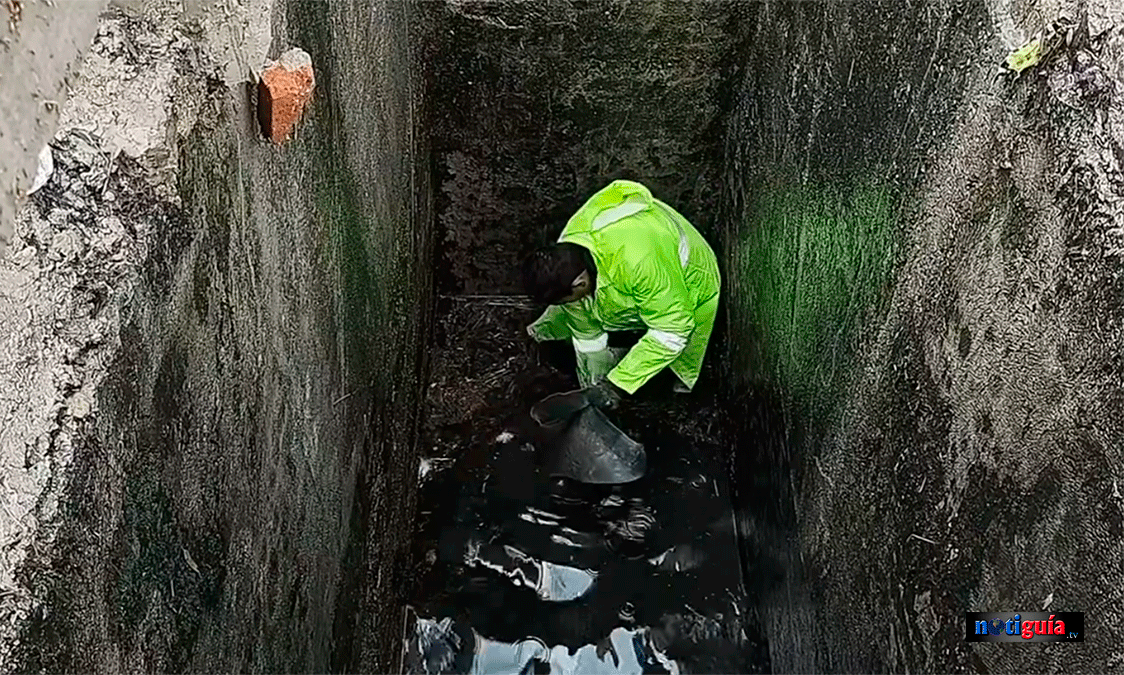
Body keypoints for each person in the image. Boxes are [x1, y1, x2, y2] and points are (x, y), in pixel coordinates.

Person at [521, 180, 720, 410]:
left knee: (676, 350)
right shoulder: (569, 254)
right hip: (633, 275)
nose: (568, 304)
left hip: (687, 278)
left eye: (564, 300)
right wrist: (593, 387)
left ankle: (677, 396)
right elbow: (586, 330)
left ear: (580, 283)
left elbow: (673, 330)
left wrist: (617, 385)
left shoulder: (639, 263)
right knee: (574, 315)